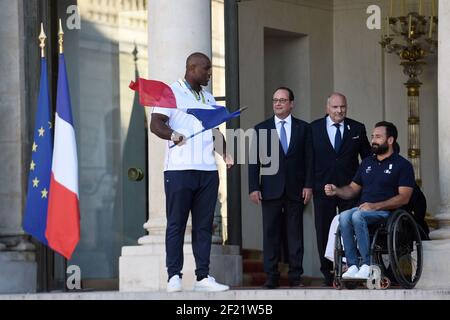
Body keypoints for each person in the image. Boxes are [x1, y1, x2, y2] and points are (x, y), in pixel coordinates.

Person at [150, 52, 233, 292]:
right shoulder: (170, 93)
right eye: (206, 68)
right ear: (192, 67)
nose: (209, 73)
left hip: (207, 170)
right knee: (176, 223)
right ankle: (173, 275)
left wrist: (224, 153)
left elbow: (215, 131)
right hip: (179, 170)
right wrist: (172, 135)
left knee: (204, 225)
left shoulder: (208, 98)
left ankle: (203, 277)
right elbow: (157, 124)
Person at [324, 121, 415, 279]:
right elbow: (352, 189)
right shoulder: (367, 163)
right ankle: (352, 265)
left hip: (387, 214)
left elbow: (404, 197)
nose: (373, 140)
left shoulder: (403, 165)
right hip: (364, 211)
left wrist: (375, 206)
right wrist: (336, 190)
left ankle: (366, 264)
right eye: (373, 136)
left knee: (356, 215)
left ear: (390, 140)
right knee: (344, 216)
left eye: (378, 137)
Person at [248, 87, 313, 289]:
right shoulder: (261, 128)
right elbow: (253, 162)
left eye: (282, 100)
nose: (277, 103)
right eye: (275, 100)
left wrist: (309, 185)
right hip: (269, 189)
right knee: (271, 234)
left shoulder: (304, 128)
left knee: (295, 234)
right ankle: (271, 276)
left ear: (291, 103)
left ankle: (295, 277)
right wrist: (253, 187)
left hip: (296, 189)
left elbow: (310, 160)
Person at [310, 92, 371, 286]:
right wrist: (310, 185)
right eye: (335, 107)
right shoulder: (314, 128)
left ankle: (351, 269)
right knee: (323, 231)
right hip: (322, 189)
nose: (339, 110)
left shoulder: (358, 128)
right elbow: (307, 161)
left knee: (350, 230)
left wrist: (363, 185)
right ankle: (328, 273)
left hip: (349, 189)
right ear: (327, 108)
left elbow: (367, 159)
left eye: (343, 106)